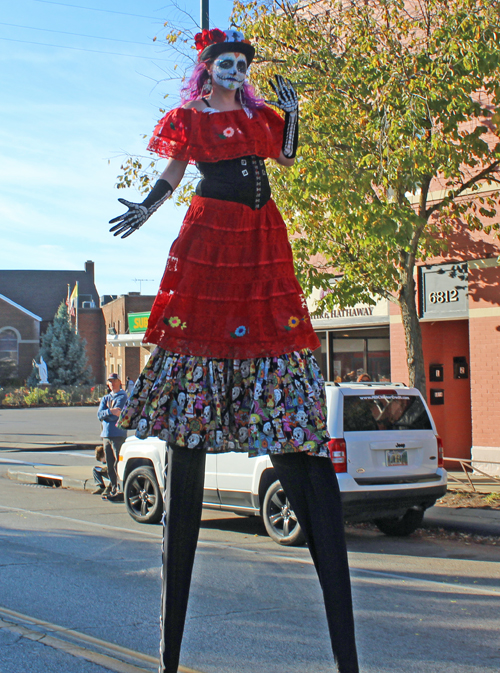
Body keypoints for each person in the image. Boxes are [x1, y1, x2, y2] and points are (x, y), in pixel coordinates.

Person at [109, 28, 358, 673]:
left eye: (241, 63)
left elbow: (287, 154)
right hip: (213, 234)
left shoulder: (256, 116)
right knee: (202, 333)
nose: (235, 70)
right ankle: (171, 644)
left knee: (272, 332)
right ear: (207, 68)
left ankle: (275, 410)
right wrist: (146, 205)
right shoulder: (192, 118)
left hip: (260, 236)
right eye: (226, 61)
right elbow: (170, 174)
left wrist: (294, 115)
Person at [97, 373, 128, 500]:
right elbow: (100, 415)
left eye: (114, 381)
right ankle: (113, 487)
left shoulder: (123, 396)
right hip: (106, 435)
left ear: (119, 382)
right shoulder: (106, 398)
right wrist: (109, 411)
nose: (112, 383)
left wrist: (109, 414)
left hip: (118, 434)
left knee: (118, 463)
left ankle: (121, 489)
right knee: (109, 464)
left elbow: (118, 414)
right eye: (110, 381)